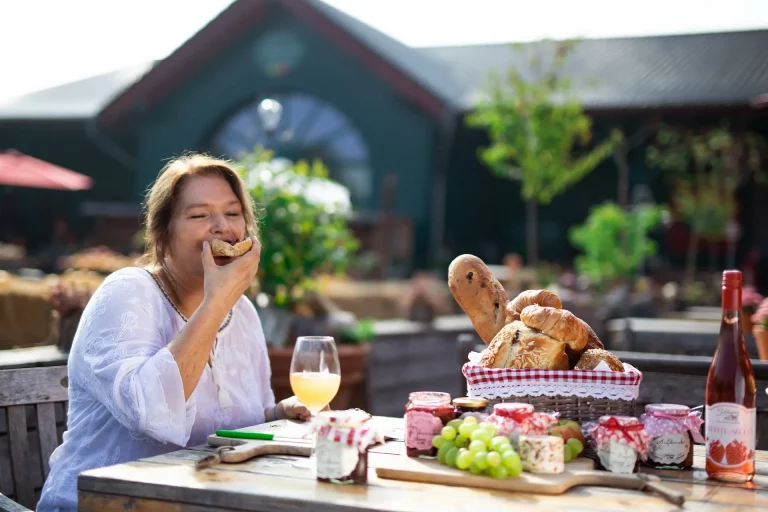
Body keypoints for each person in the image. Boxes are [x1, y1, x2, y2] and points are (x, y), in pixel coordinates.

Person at [37, 154, 312, 512]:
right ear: (163, 234)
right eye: (199, 215)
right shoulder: (128, 292)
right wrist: (216, 302)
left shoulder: (242, 312)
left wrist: (279, 412)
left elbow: (243, 422)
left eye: (232, 213)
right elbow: (153, 415)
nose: (221, 227)